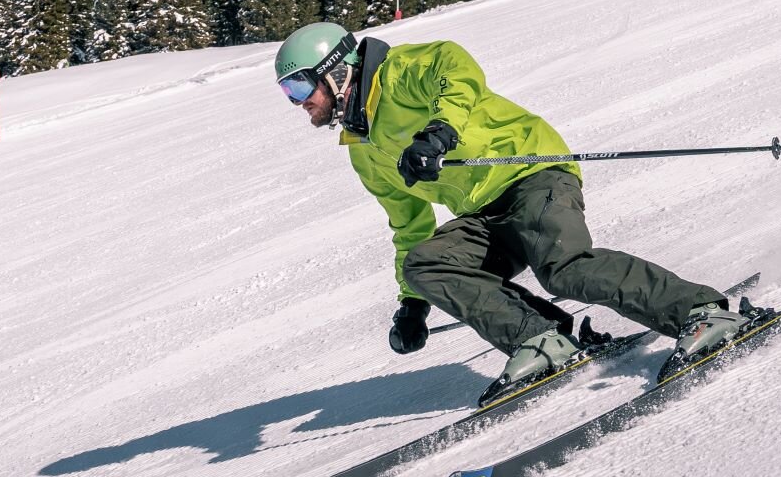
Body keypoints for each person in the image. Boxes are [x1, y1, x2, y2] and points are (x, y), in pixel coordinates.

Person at [274, 20, 746, 401]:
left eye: (299, 87)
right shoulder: (365, 149)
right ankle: (544, 340)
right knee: (427, 262)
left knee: (563, 269)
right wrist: (412, 303)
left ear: (337, 71)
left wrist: (440, 132)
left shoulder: (399, 72)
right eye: (288, 93)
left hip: (529, 172)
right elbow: (408, 223)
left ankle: (706, 311)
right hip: (482, 210)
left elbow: (453, 69)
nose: (299, 103)